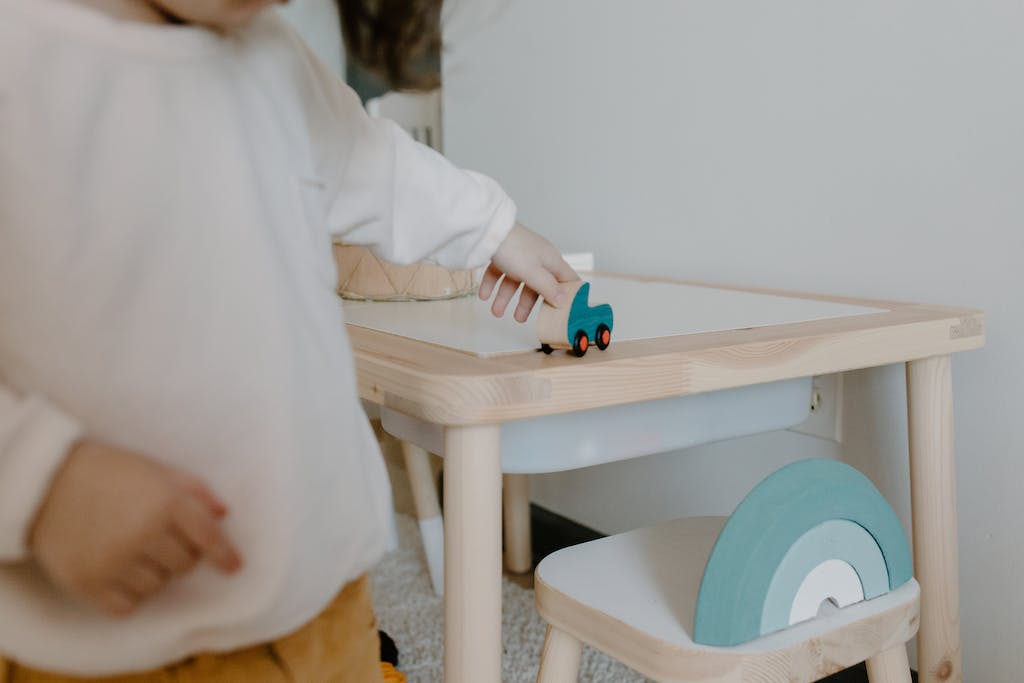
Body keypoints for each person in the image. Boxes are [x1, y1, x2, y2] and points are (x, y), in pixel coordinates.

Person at [0, 0, 578, 680]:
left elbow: (376, 165)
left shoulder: (268, 51)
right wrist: (40, 477)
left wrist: (494, 231)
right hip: (118, 647)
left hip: (328, 603)